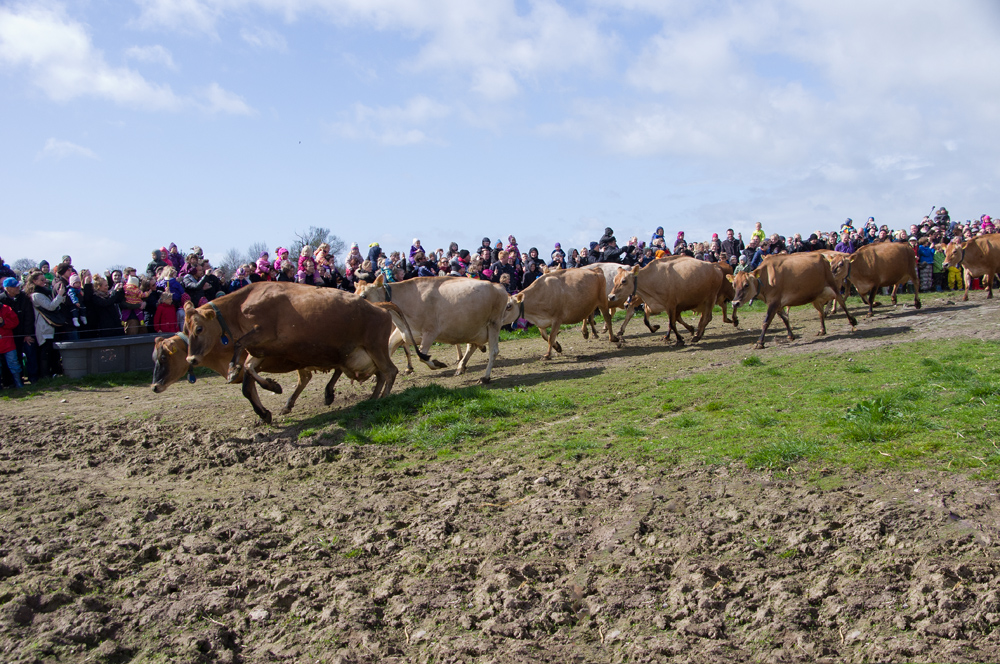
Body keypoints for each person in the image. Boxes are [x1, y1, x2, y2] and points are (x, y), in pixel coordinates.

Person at [25, 270, 65, 378]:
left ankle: (52, 372)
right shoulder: (36, 295)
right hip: (43, 327)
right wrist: (60, 295)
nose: (45, 281)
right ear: (34, 281)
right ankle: (45, 374)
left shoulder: (43, 292)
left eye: (44, 279)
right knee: (45, 352)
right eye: (41, 280)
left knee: (51, 352)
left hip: (48, 326)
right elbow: (51, 307)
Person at [0, 277, 37, 385]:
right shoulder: (1, 300)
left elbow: (29, 317)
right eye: (15, 286)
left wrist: (27, 334)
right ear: (8, 288)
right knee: (12, 360)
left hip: (24, 332)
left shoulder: (23, 298)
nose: (18, 288)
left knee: (30, 353)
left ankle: (33, 378)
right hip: (8, 336)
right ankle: (11, 382)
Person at [0, 298, 22, 389]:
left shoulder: (6, 308)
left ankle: (19, 384)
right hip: (6, 342)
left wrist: (3, 322)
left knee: (14, 364)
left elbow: (15, 322)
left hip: (8, 343)